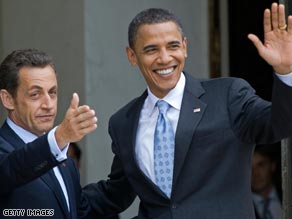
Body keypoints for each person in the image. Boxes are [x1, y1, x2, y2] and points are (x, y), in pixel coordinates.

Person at [83, 3, 292, 219]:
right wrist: (51, 196)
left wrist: (286, 73)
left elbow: (280, 125)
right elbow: (115, 194)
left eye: (172, 46)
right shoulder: (123, 122)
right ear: (132, 55)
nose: (164, 58)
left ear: (185, 46)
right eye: (151, 49)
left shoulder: (228, 96)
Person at [0, 49, 97, 219]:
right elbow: (15, 167)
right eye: (35, 94)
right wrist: (60, 137)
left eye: (52, 92)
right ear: (8, 99)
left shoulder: (64, 159)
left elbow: (81, 212)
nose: (48, 104)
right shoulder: (55, 147)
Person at [252, 145, 282, 219]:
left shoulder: (288, 194)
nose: (255, 173)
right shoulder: (239, 206)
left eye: (261, 165)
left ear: (272, 165)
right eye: (250, 168)